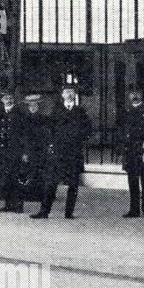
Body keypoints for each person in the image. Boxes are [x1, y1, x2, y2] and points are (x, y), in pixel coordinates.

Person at [35, 85, 90, 219]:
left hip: (74, 153)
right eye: (66, 92)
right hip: (59, 153)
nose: (69, 94)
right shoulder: (57, 110)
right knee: (51, 183)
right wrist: (52, 143)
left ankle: (68, 212)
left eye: (71, 92)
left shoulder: (80, 111)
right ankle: (44, 211)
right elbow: (49, 128)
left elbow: (88, 130)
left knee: (73, 184)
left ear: (75, 94)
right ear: (62, 95)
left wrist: (78, 138)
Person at [119, 87, 144, 218]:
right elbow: (122, 132)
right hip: (130, 150)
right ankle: (134, 210)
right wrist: (122, 152)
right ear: (129, 96)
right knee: (132, 181)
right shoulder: (126, 111)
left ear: (141, 95)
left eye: (137, 93)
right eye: (132, 94)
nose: (134, 96)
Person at [0, 89, 27, 213]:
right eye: (6, 98)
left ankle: (18, 205)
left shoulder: (19, 113)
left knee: (16, 178)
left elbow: (23, 134)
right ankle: (8, 204)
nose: (8, 100)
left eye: (10, 98)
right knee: (5, 178)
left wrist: (24, 152)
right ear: (2, 100)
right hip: (2, 151)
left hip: (15, 151)